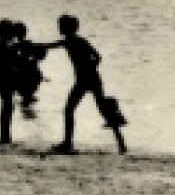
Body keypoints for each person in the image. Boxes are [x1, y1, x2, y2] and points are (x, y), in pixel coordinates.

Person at [33, 14, 122, 155]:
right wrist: (90, 67)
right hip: (93, 78)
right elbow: (98, 57)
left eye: (61, 26)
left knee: (69, 110)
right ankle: (121, 144)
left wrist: (32, 46)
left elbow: (50, 46)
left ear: (66, 28)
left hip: (83, 80)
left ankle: (67, 143)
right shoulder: (79, 40)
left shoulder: (70, 42)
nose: (59, 28)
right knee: (103, 109)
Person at [10, 21, 44, 108]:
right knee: (27, 93)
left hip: (23, 72)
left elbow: (13, 60)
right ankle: (27, 101)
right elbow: (40, 56)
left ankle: (26, 101)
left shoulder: (15, 46)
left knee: (25, 93)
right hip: (29, 71)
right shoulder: (27, 44)